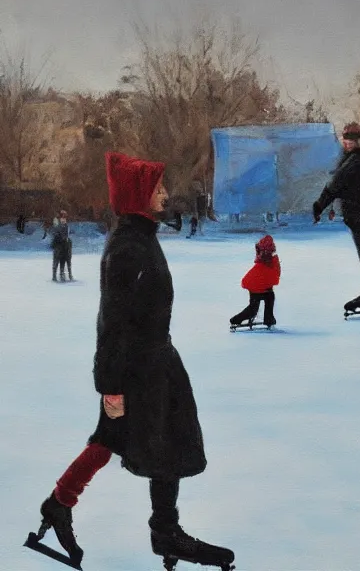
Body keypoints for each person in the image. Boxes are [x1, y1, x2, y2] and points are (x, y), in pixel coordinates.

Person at [28, 152, 234, 570]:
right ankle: (165, 531)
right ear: (140, 196)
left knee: (115, 438)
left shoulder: (141, 238)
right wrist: (111, 386)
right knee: (164, 441)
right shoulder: (127, 249)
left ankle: (61, 504)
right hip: (140, 368)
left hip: (155, 362)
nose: (165, 193)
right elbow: (112, 322)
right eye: (157, 188)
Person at [312, 122, 360, 315]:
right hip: (355, 214)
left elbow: (336, 184)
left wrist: (320, 204)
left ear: (358, 141)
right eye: (346, 139)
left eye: (352, 140)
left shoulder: (357, 160)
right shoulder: (349, 159)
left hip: (359, 214)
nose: (348, 143)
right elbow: (341, 185)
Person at [229, 234, 281, 328]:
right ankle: (269, 319)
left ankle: (236, 319)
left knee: (253, 308)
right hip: (263, 288)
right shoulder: (272, 260)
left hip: (253, 287)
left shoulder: (260, 258)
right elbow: (275, 275)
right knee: (269, 298)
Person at [50, 210, 73, 282]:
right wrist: (60, 238)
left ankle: (62, 274)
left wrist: (67, 240)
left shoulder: (66, 225)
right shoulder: (57, 224)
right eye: (63, 217)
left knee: (63, 260)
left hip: (64, 245)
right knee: (56, 260)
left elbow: (66, 235)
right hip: (58, 245)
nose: (64, 219)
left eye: (65, 217)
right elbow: (55, 233)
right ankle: (54, 275)